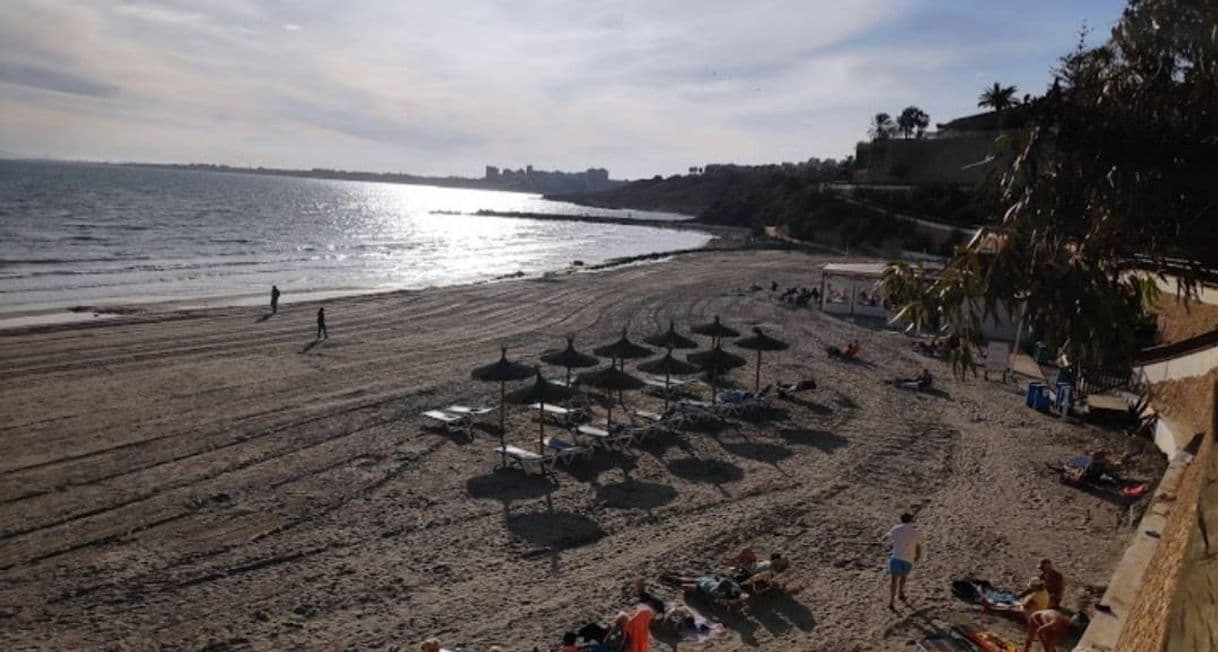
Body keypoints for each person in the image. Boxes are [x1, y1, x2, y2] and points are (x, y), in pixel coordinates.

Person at [887, 512, 921, 610]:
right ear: (910, 520)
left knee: (893, 580)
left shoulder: (895, 528)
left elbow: (890, 536)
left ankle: (891, 602)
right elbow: (918, 547)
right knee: (903, 576)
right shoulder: (915, 532)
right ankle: (900, 592)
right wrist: (917, 556)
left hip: (896, 556)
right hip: (908, 558)